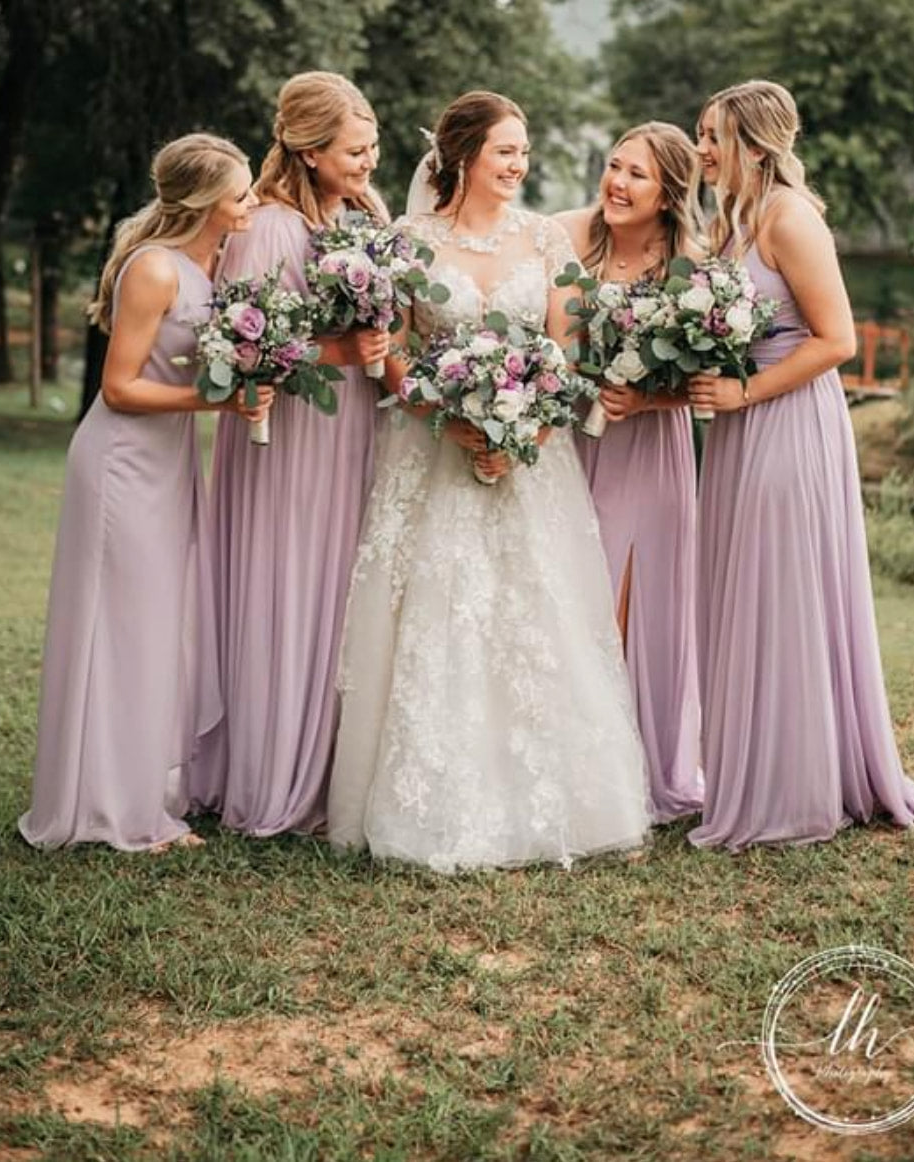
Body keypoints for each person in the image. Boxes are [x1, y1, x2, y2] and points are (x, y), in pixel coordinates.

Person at [327, 91, 650, 872]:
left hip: (531, 462)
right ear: (462, 154)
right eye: (506, 151)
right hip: (431, 452)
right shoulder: (407, 240)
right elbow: (392, 352)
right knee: (440, 615)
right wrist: (448, 413)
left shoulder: (545, 241)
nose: (519, 165)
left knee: (535, 620)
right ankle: (429, 805)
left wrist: (522, 432)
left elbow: (565, 357)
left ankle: (557, 803)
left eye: (526, 153)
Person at [686, 80, 914, 850]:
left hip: (785, 419)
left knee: (781, 586)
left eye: (710, 136)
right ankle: (755, 770)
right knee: (744, 586)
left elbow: (836, 342)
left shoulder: (790, 219)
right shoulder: (731, 222)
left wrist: (744, 391)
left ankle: (793, 789)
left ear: (754, 146)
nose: (700, 149)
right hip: (737, 424)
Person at [19, 133, 272, 851]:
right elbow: (119, 387)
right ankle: (106, 809)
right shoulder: (154, 269)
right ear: (203, 201)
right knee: (118, 630)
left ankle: (137, 792)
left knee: (155, 628)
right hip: (121, 465)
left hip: (167, 465)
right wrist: (219, 403)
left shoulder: (209, 263)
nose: (250, 202)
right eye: (241, 191)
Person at [188, 72, 390, 836]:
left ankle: (334, 766)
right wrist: (344, 346)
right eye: (354, 150)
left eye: (373, 147)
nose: (369, 162)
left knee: (339, 589)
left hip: (351, 428)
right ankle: (274, 776)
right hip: (289, 436)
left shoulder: (363, 215)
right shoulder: (268, 227)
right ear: (307, 150)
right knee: (289, 582)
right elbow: (248, 344)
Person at [555, 123, 704, 823]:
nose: (616, 182)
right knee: (568, 591)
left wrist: (647, 395)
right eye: (613, 166)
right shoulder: (566, 239)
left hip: (648, 446)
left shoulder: (692, 268)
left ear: (669, 193)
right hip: (573, 444)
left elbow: (709, 379)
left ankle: (631, 767)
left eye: (635, 175)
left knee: (629, 599)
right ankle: (569, 759)